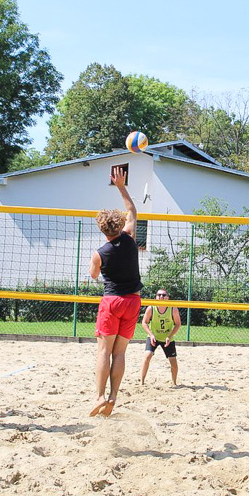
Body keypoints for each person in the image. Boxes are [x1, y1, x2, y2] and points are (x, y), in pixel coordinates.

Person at [89, 166, 143, 417]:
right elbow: (132, 209)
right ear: (121, 225)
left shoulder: (99, 253)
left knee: (104, 351)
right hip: (132, 302)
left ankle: (99, 396)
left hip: (111, 301)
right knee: (119, 353)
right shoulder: (130, 239)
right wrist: (121, 186)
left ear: (102, 229)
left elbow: (93, 276)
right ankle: (112, 397)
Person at [140, 289, 182, 385]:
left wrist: (170, 336)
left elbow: (178, 324)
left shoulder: (172, 308)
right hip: (153, 336)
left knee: (173, 361)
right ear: (156, 297)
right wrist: (151, 335)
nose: (161, 297)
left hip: (167, 338)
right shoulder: (151, 308)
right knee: (147, 356)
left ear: (168, 297)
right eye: (159, 295)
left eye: (164, 295)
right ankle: (141, 382)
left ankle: (174, 383)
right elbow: (144, 322)